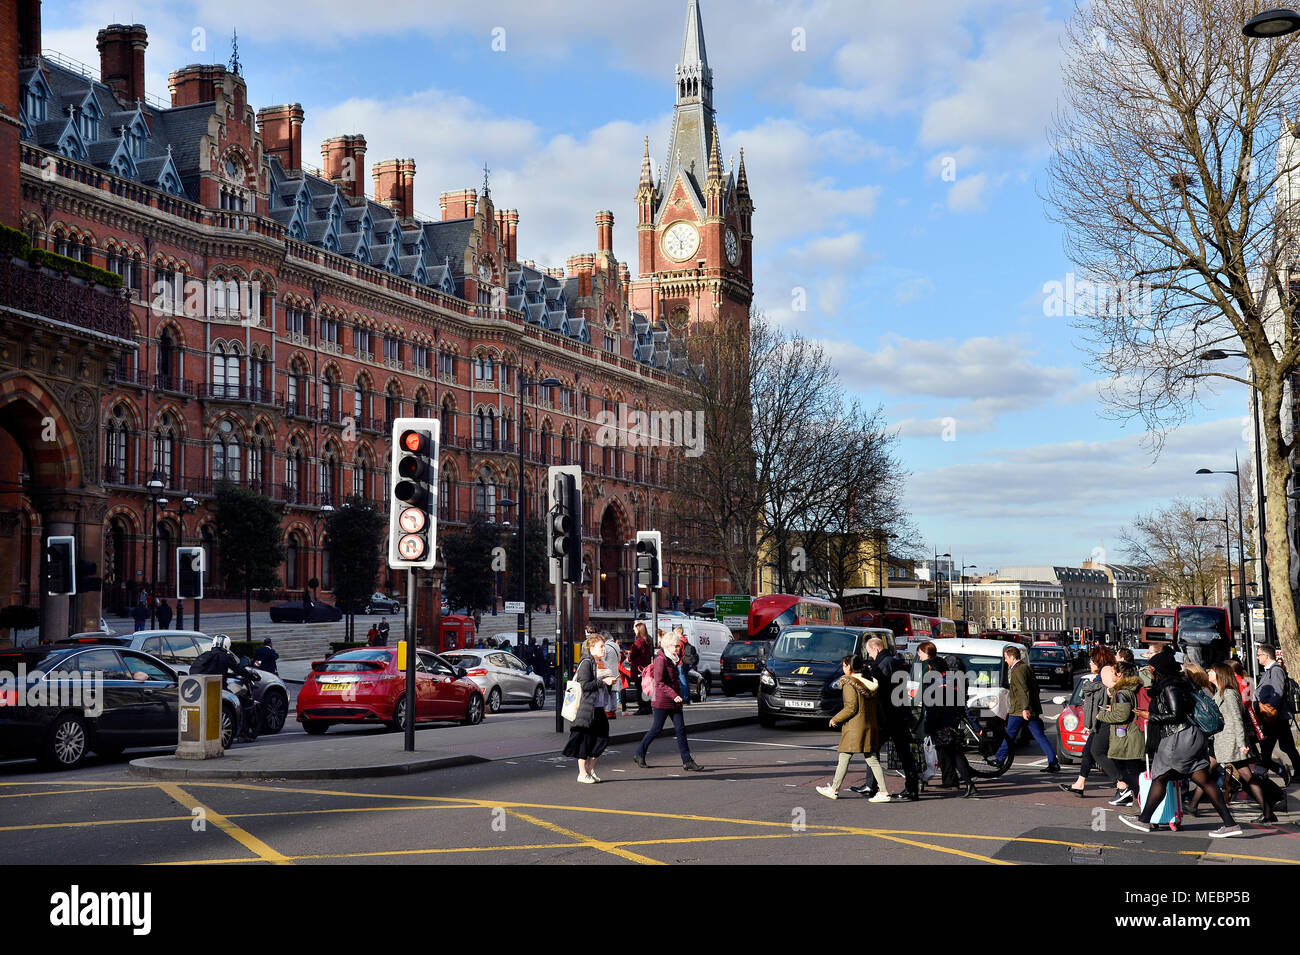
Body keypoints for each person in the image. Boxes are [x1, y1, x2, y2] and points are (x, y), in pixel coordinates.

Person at [1119, 649, 1241, 837]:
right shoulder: (1183, 684)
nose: (1149, 671)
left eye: (1151, 668)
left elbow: (1177, 715)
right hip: (1192, 736)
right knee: (1203, 779)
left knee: (1160, 778)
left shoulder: (1170, 686)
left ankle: (1144, 820)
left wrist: (1150, 716)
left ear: (1157, 669)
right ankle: (1230, 824)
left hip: (1179, 738)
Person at [1200, 662, 1276, 823]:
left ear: (1220, 674)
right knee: (1246, 776)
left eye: (1212, 671)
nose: (1209, 673)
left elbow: (1237, 720)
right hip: (1226, 742)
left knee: (1247, 776)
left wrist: (1242, 744)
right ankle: (1268, 811)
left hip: (1233, 742)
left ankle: (1269, 810)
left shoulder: (1229, 694)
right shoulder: (1220, 692)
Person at [817, 654, 891, 802]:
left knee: (844, 756)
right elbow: (878, 706)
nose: (842, 668)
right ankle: (883, 792)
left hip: (855, 727)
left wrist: (835, 719)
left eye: (844, 665)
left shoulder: (849, 682)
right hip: (870, 725)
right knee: (872, 758)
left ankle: (834, 789)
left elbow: (851, 707)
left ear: (849, 667)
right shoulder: (870, 681)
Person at [632, 630, 702, 771]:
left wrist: (678, 695)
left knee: (681, 730)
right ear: (667, 646)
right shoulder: (661, 660)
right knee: (657, 729)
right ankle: (639, 752)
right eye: (675, 646)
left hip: (674, 701)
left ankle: (687, 760)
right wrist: (673, 694)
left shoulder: (672, 660)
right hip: (662, 701)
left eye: (678, 646)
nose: (678, 648)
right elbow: (659, 683)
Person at [863, 635, 921, 801]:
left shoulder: (882, 665)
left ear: (876, 649)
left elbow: (878, 690)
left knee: (871, 749)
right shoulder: (896, 662)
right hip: (900, 713)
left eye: (870, 653)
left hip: (887, 715)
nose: (870, 656)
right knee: (905, 753)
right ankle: (912, 788)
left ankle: (873, 786)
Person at [1060, 646, 1122, 799]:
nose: (1090, 663)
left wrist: (1112, 703)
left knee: (1097, 752)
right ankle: (1079, 784)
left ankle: (1122, 784)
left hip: (1105, 718)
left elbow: (1115, 689)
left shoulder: (1105, 670)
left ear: (1098, 660)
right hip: (1099, 718)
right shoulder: (1105, 671)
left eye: (1092, 660)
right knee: (1088, 751)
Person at [918, 646, 976, 798]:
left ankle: (969, 784)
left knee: (954, 755)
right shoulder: (952, 683)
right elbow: (961, 706)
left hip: (940, 726)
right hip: (951, 724)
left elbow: (932, 710)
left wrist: (928, 728)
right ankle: (968, 784)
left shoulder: (934, 684)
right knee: (955, 754)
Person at [994, 645, 1061, 772]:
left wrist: (1025, 708)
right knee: (1040, 736)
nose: (1006, 660)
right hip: (1031, 709)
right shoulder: (1026, 667)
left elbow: (1022, 690)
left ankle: (999, 759)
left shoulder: (1017, 670)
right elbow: (1035, 688)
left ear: (1013, 657)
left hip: (1020, 710)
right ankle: (1053, 762)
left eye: (1006, 658)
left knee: (1009, 734)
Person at [564, 633, 616, 783]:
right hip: (586, 708)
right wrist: (603, 682)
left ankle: (590, 768)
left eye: (604, 646)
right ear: (591, 647)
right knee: (585, 740)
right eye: (601, 646)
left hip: (598, 707)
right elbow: (584, 685)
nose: (604, 649)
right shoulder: (587, 662)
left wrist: (609, 682)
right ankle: (582, 773)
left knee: (603, 738)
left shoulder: (599, 662)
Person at [191, 634, 260, 742]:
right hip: (217, 688)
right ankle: (243, 732)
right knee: (239, 702)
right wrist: (250, 675)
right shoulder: (226, 657)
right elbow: (238, 670)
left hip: (197, 690)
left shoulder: (204, 655)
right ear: (227, 645)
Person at [1095, 662, 1145, 806]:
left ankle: (1142, 802)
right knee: (1132, 770)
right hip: (1133, 735)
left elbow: (1121, 716)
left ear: (1120, 675)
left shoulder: (1122, 692)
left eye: (1113, 672)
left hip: (1128, 737)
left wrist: (1102, 716)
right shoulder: (1132, 688)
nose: (1111, 675)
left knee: (1128, 772)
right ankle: (1140, 801)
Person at [1256, 644, 1299, 784]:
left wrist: (1268, 709)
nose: (1257, 657)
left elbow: (1277, 692)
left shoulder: (1275, 671)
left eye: (1259, 655)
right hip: (1275, 717)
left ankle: (1261, 775)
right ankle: (1294, 772)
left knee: (1268, 748)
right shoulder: (1270, 670)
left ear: (1266, 656)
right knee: (1286, 746)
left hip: (1274, 717)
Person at [629, 622, 653, 715]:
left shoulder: (638, 641)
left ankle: (642, 708)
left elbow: (633, 655)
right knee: (645, 689)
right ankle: (647, 707)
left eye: (634, 629)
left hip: (638, 668)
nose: (633, 630)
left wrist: (629, 658)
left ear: (638, 629)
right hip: (645, 667)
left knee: (639, 689)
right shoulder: (647, 640)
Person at [677, 627, 698, 703]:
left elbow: (678, 653)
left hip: (680, 664)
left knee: (683, 682)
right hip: (686, 663)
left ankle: (685, 698)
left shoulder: (680, 642)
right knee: (686, 681)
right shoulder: (686, 640)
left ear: (677, 632)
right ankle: (688, 698)